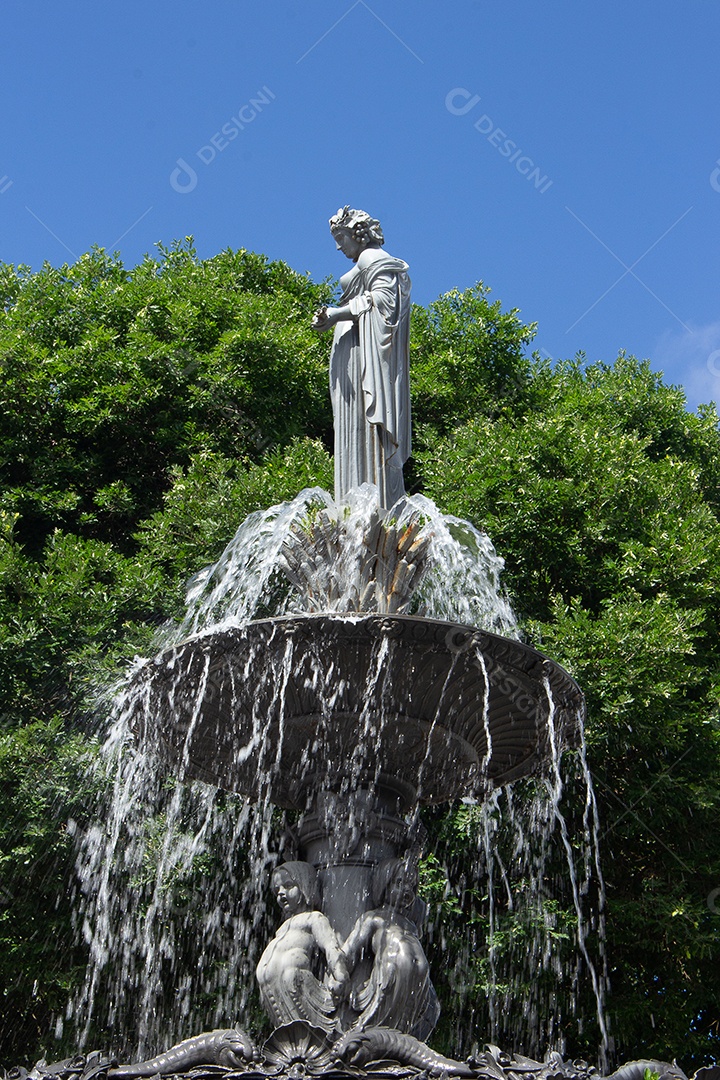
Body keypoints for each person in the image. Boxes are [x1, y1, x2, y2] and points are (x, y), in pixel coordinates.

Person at [312, 207, 411, 511]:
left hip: (364, 358)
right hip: (353, 353)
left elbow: (385, 303)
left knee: (364, 428)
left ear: (358, 234)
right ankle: (356, 503)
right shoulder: (363, 261)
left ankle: (372, 506)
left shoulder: (373, 257)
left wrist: (337, 313)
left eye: (341, 237)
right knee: (352, 431)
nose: (338, 246)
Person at [339, 858, 439, 1040]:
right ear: (383, 884)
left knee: (411, 1019)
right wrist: (339, 974)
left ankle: (403, 1043)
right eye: (399, 883)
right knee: (382, 1022)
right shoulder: (374, 918)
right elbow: (350, 950)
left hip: (418, 980)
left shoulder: (411, 924)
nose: (406, 889)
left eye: (411, 885)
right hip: (391, 975)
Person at [255, 861, 349, 1032]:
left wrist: (340, 975)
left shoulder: (314, 918)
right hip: (275, 994)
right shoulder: (282, 928)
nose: (281, 892)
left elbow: (330, 946)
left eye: (288, 886)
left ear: (305, 885)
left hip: (300, 990)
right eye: (277, 890)